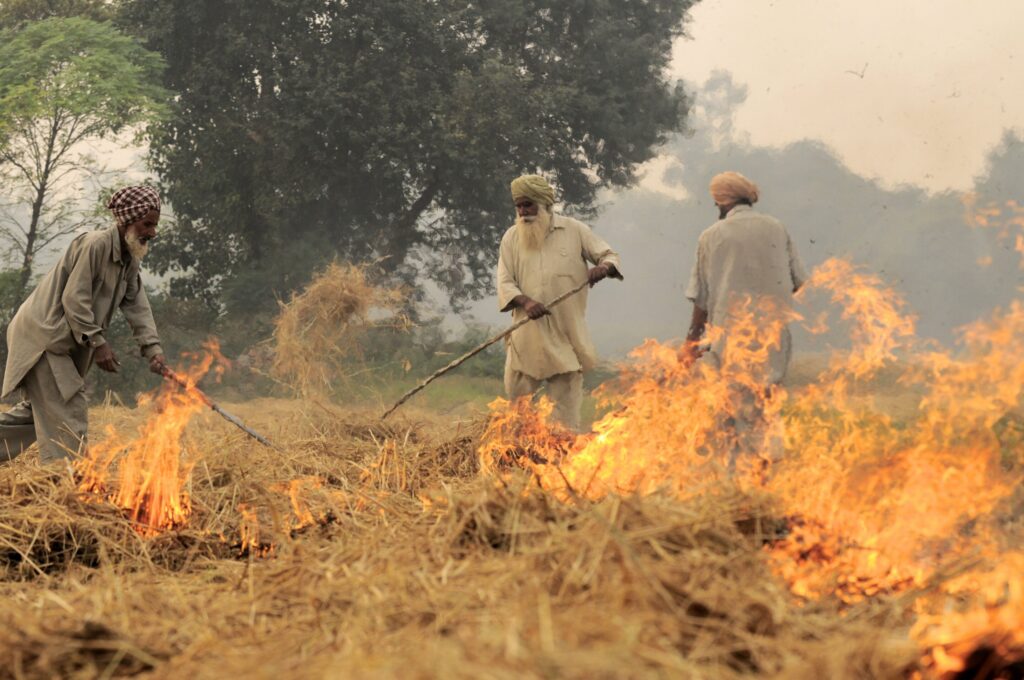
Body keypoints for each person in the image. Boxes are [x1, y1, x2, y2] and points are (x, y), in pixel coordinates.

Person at [0, 186, 167, 463]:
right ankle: (64, 477)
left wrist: (153, 350)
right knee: (68, 405)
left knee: (42, 413)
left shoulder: (129, 258)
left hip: (59, 342)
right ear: (127, 220)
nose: (152, 232)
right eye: (147, 224)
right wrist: (98, 342)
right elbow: (74, 299)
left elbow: (137, 305)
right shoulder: (95, 245)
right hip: (44, 337)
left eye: (154, 225)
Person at [683, 171, 807, 465]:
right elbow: (797, 282)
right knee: (765, 402)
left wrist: (691, 342)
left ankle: (738, 479)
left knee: (731, 407)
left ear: (722, 201)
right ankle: (761, 473)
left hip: (730, 336)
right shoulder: (777, 228)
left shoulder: (712, 235)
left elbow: (701, 299)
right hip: (774, 336)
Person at [496, 174, 622, 431]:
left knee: (565, 423)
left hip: (566, 337)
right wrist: (526, 302)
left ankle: (564, 452)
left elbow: (609, 255)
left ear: (544, 203)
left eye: (528, 205)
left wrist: (603, 268)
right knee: (517, 417)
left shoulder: (574, 230)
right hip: (526, 339)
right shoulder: (511, 237)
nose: (523, 212)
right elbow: (505, 282)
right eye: (519, 206)